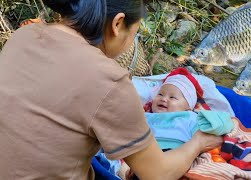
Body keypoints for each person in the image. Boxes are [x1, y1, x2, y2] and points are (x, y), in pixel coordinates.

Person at [0, 0, 223, 179]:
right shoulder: (110, 80)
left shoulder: (24, 36)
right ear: (118, 24)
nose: (130, 43)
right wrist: (199, 143)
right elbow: (158, 173)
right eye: (134, 34)